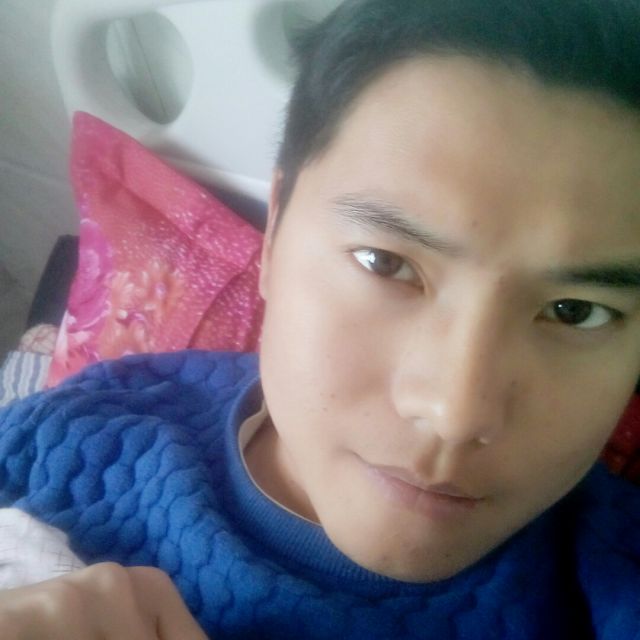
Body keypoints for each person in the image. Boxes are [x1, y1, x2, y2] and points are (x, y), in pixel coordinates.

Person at [1, 0, 640, 637]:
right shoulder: (83, 428)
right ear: (276, 234)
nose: (455, 413)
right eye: (385, 263)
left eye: (575, 312)